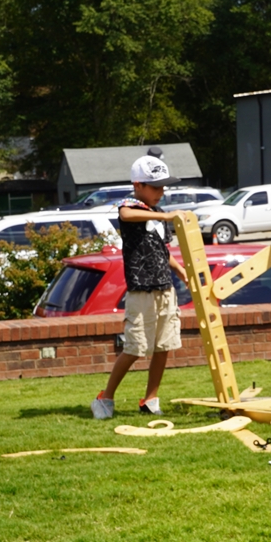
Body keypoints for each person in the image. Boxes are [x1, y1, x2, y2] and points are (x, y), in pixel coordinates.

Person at [91, 155, 185, 419]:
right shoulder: (128, 206)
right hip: (141, 290)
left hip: (165, 288)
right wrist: (166, 215)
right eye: (155, 186)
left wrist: (181, 272)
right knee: (135, 348)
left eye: (163, 186)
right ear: (138, 185)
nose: (161, 191)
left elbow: (162, 251)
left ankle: (150, 399)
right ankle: (105, 398)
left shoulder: (157, 213)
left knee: (164, 346)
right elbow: (126, 214)